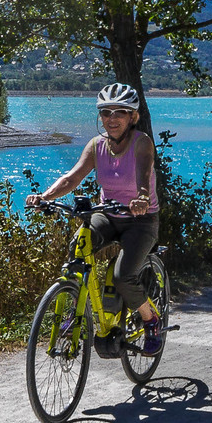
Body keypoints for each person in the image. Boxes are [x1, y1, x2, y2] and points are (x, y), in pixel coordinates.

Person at [27, 83, 164, 354]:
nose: (111, 119)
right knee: (79, 247)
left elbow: (144, 173)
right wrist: (45, 197)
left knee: (123, 276)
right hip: (108, 215)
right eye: (105, 112)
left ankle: (151, 320)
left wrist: (142, 197)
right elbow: (72, 177)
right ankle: (76, 311)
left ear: (132, 117)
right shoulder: (96, 145)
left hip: (141, 219)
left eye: (119, 112)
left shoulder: (142, 142)